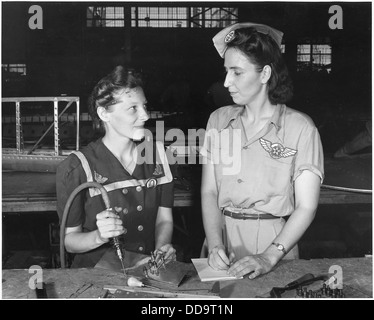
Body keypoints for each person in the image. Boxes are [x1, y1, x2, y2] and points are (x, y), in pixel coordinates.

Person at [200, 22, 324, 280]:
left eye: (237, 72)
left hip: (274, 245)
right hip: (221, 241)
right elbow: (209, 190)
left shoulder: (301, 128)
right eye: (226, 71)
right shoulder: (218, 120)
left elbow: (306, 206)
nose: (226, 82)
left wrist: (270, 256)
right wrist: (214, 245)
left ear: (265, 73)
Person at [56, 66, 176, 268]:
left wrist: (162, 247)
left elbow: (164, 219)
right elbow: (69, 241)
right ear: (104, 113)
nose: (146, 115)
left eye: (145, 106)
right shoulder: (77, 167)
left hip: (144, 271)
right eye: (133, 108)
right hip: (95, 276)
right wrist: (99, 236)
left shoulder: (159, 156)